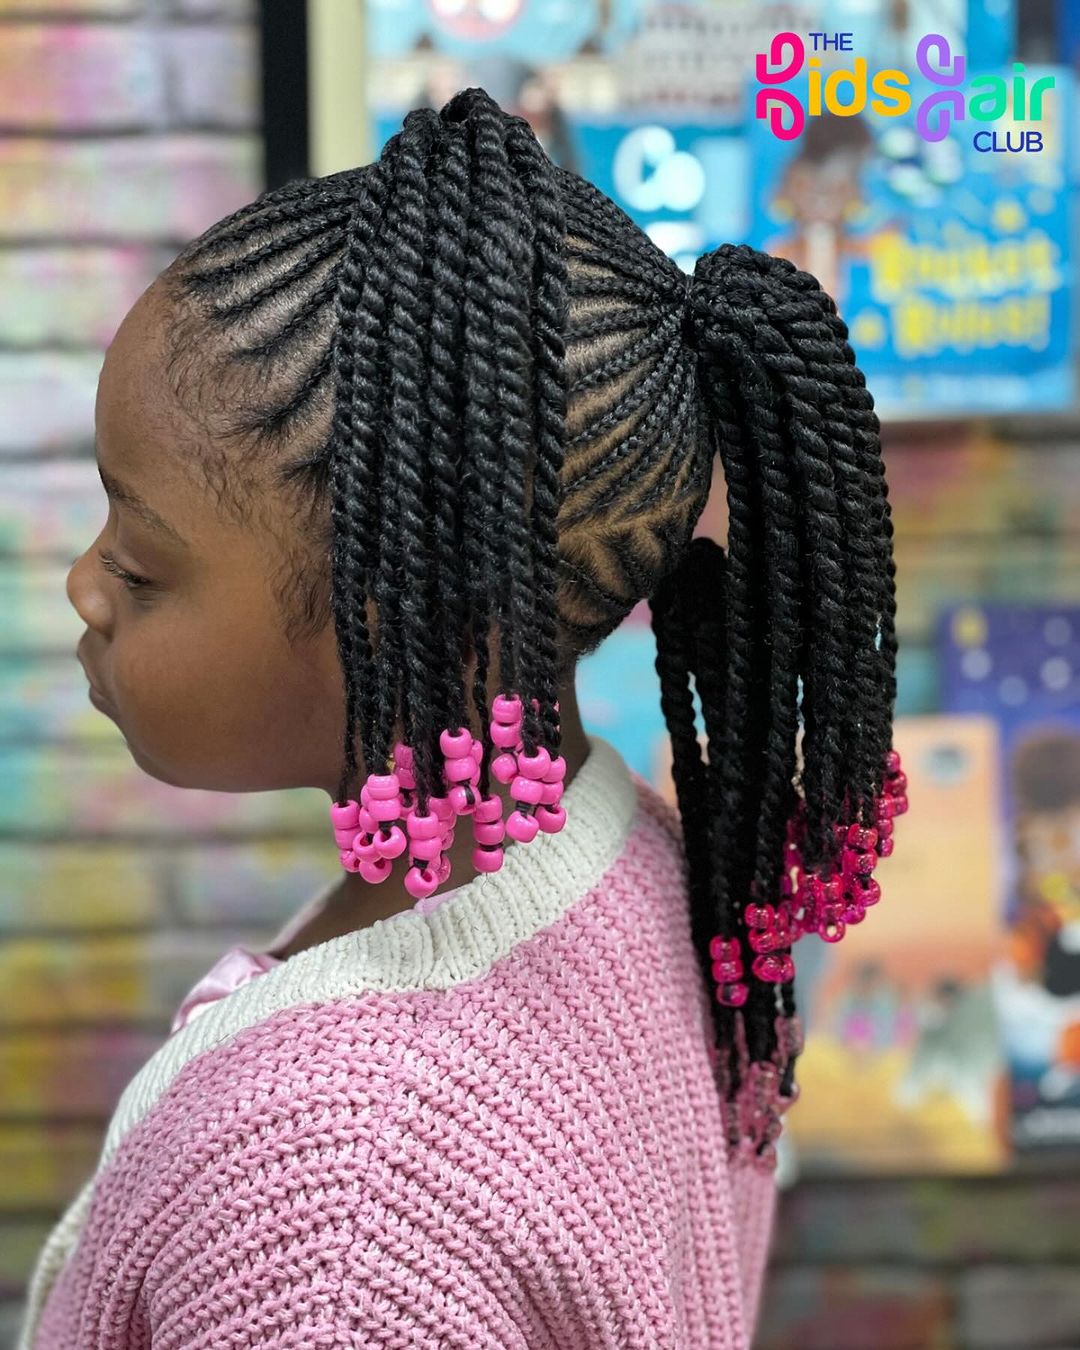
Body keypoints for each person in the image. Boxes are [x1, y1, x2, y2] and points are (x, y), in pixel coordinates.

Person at [20, 87, 902, 1348]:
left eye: (145, 563)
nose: (85, 587)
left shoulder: (333, 1222)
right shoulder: (624, 851)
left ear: (407, 613)